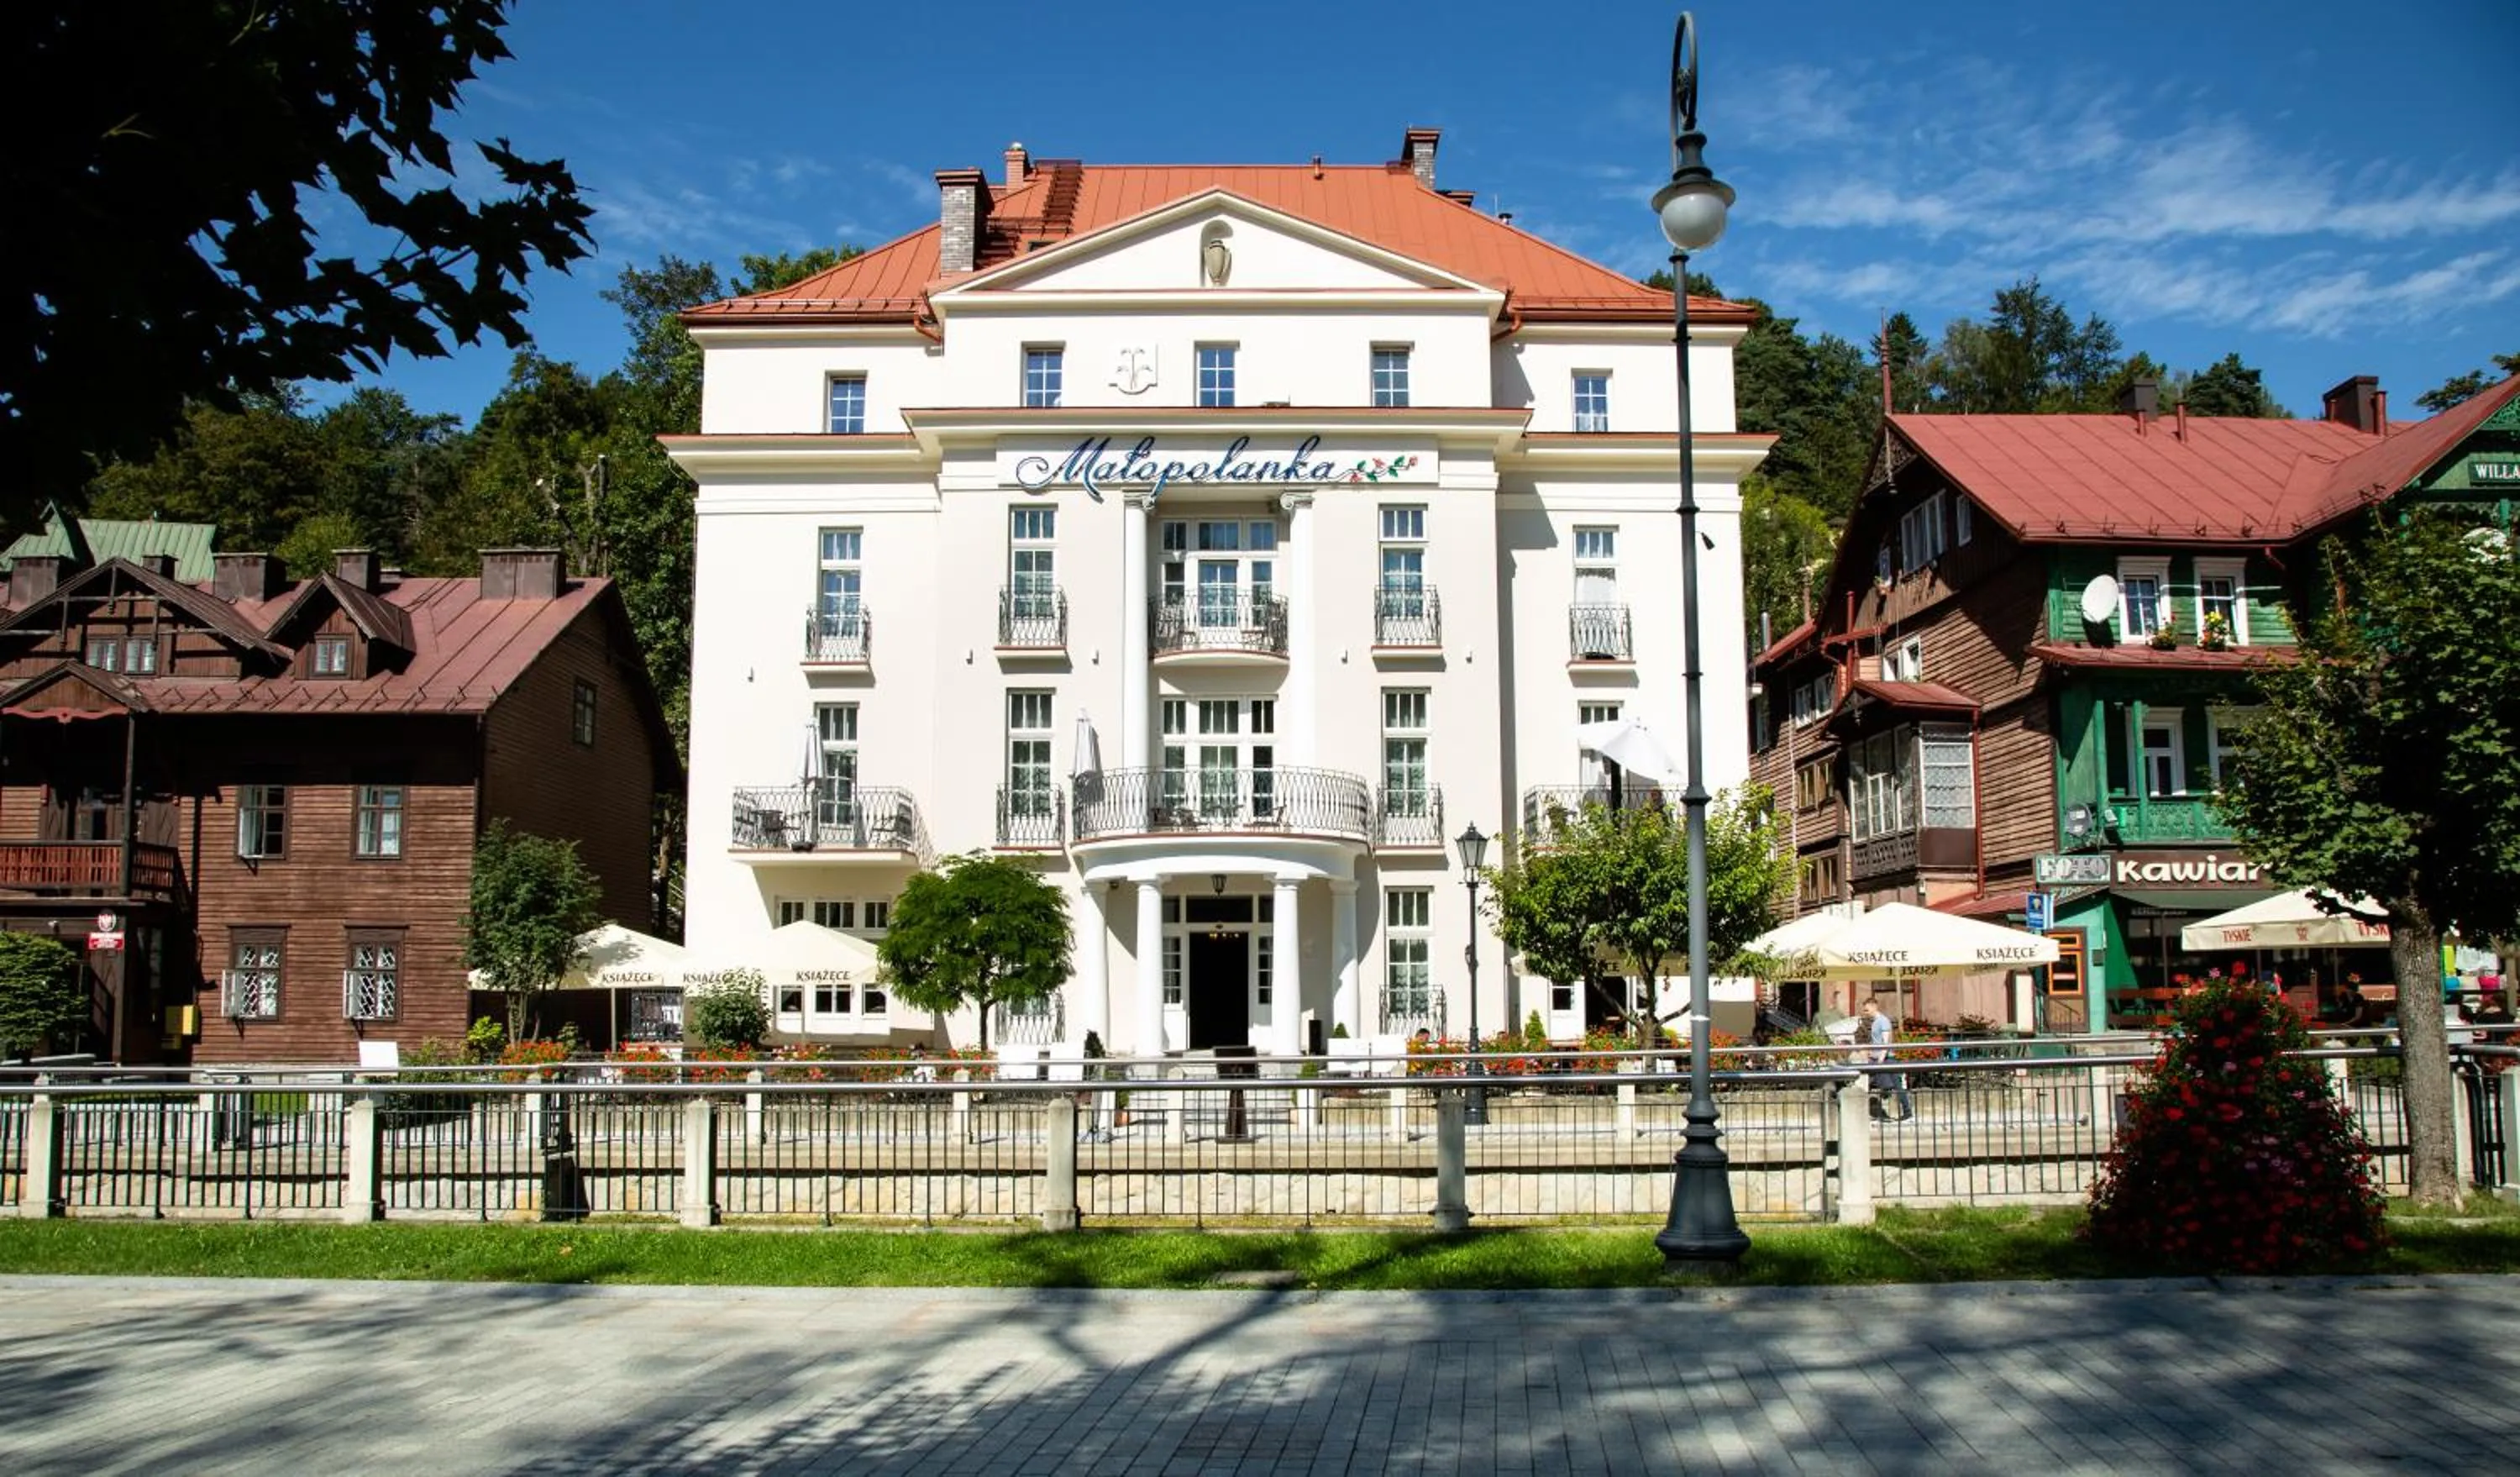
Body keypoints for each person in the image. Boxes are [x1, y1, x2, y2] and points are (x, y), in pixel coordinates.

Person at [1860, 997, 1913, 1123]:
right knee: (1880, 1084)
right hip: (1878, 1058)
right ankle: (1893, 1112)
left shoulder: (1883, 1021)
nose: (1865, 1013)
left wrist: (1881, 1059)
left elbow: (1886, 1041)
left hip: (1885, 1059)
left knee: (1895, 1085)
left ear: (1874, 1007)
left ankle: (1906, 1112)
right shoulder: (1876, 1022)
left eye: (1867, 1010)